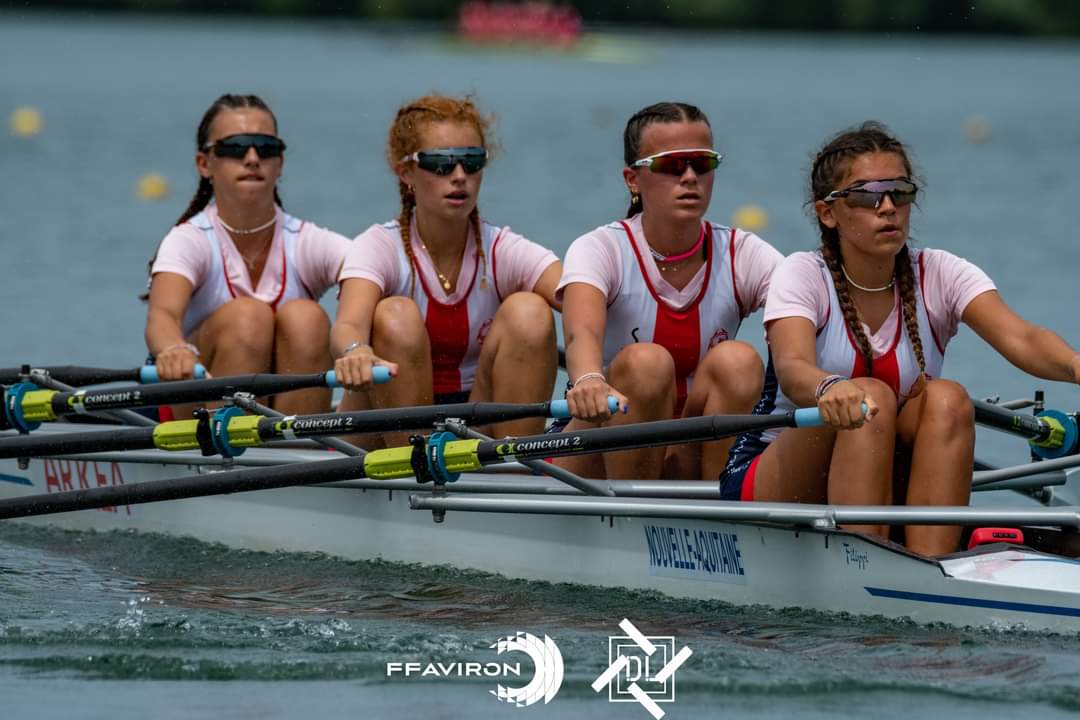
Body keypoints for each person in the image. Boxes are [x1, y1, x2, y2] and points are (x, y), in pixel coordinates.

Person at [719, 120, 1080, 557]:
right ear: (828, 212)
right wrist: (828, 387)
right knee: (870, 397)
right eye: (868, 196)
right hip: (778, 472)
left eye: (900, 193)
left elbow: (1022, 337)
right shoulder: (801, 274)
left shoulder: (941, 272)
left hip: (884, 468)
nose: (887, 207)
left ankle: (932, 567)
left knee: (948, 398)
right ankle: (865, 565)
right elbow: (794, 368)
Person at [557, 101, 783, 481]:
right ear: (632, 179)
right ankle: (630, 517)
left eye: (703, 163)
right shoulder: (600, 249)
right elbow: (582, 334)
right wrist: (587, 380)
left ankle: (723, 517)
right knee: (647, 363)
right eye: (672, 165)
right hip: (598, 442)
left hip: (690, 446)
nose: (691, 177)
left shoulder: (743, 253)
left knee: (739, 361)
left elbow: (813, 309)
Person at [332, 94, 561, 443]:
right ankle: (409, 473)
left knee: (530, 311)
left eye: (472, 162)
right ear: (406, 172)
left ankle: (513, 471)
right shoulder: (378, 247)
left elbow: (578, 295)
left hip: (473, 419)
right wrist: (355, 351)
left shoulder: (502, 248)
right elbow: (348, 323)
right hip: (379, 425)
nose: (459, 176)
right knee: (396, 315)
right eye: (441, 163)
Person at [144, 94, 350, 415]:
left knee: (306, 318)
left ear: (279, 163)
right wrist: (173, 349)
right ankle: (227, 447)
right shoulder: (188, 240)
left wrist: (357, 346)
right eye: (235, 147)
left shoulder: (308, 241)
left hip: (286, 430)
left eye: (266, 148)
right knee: (248, 318)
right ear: (204, 164)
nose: (252, 158)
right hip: (189, 413)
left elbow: (380, 275)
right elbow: (162, 317)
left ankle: (295, 453)